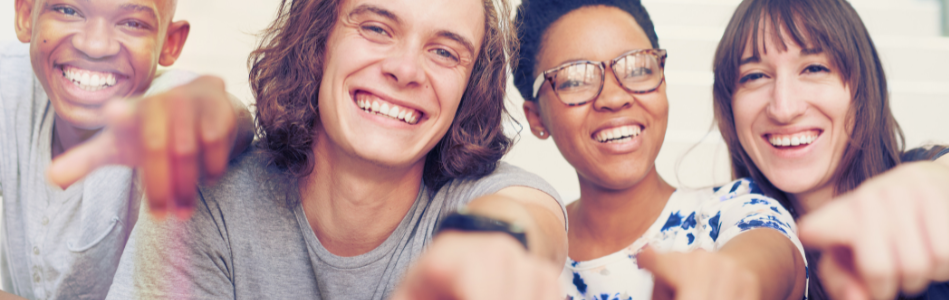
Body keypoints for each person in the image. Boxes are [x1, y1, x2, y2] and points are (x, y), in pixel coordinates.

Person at [105, 0, 568, 298]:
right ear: (318, 40)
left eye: (445, 52)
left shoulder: (490, 196)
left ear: (469, 88)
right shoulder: (209, 201)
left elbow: (530, 221)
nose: (406, 69)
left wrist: (502, 248)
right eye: (376, 28)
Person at [512, 0, 806, 299]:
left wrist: (734, 279)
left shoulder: (735, 207)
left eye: (637, 68)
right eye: (575, 79)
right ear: (535, 116)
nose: (614, 98)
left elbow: (767, 258)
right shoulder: (513, 263)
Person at [710, 0, 949, 298]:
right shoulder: (736, 238)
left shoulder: (948, 166)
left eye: (814, 68)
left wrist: (939, 203)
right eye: (755, 75)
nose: (783, 109)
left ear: (862, 88)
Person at [1, 0, 255, 299]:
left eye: (132, 23)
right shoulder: (9, 81)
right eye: (68, 10)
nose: (95, 45)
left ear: (170, 43)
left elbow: (215, 111)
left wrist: (214, 118)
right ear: (26, 14)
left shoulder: (159, 107)